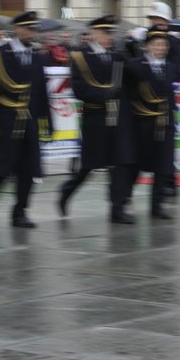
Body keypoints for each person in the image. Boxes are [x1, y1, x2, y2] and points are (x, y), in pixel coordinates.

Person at [0, 12, 49, 227]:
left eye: (33, 29)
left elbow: (42, 94)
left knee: (29, 170)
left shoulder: (37, 57)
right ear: (17, 29)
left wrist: (46, 124)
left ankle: (20, 212)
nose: (31, 33)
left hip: (30, 121)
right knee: (4, 169)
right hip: (7, 121)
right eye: (27, 29)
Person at [59, 16, 125, 222]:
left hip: (115, 116)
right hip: (94, 117)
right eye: (104, 33)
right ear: (94, 34)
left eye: (110, 33)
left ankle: (116, 209)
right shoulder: (80, 57)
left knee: (117, 164)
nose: (108, 37)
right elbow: (79, 90)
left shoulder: (116, 57)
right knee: (89, 167)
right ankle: (66, 193)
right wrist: (105, 95)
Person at [117, 29, 180, 221]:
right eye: (156, 45)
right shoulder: (136, 65)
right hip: (142, 122)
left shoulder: (169, 67)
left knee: (163, 166)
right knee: (136, 166)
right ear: (147, 46)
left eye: (163, 45)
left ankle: (157, 205)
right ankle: (123, 200)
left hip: (164, 122)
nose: (160, 48)